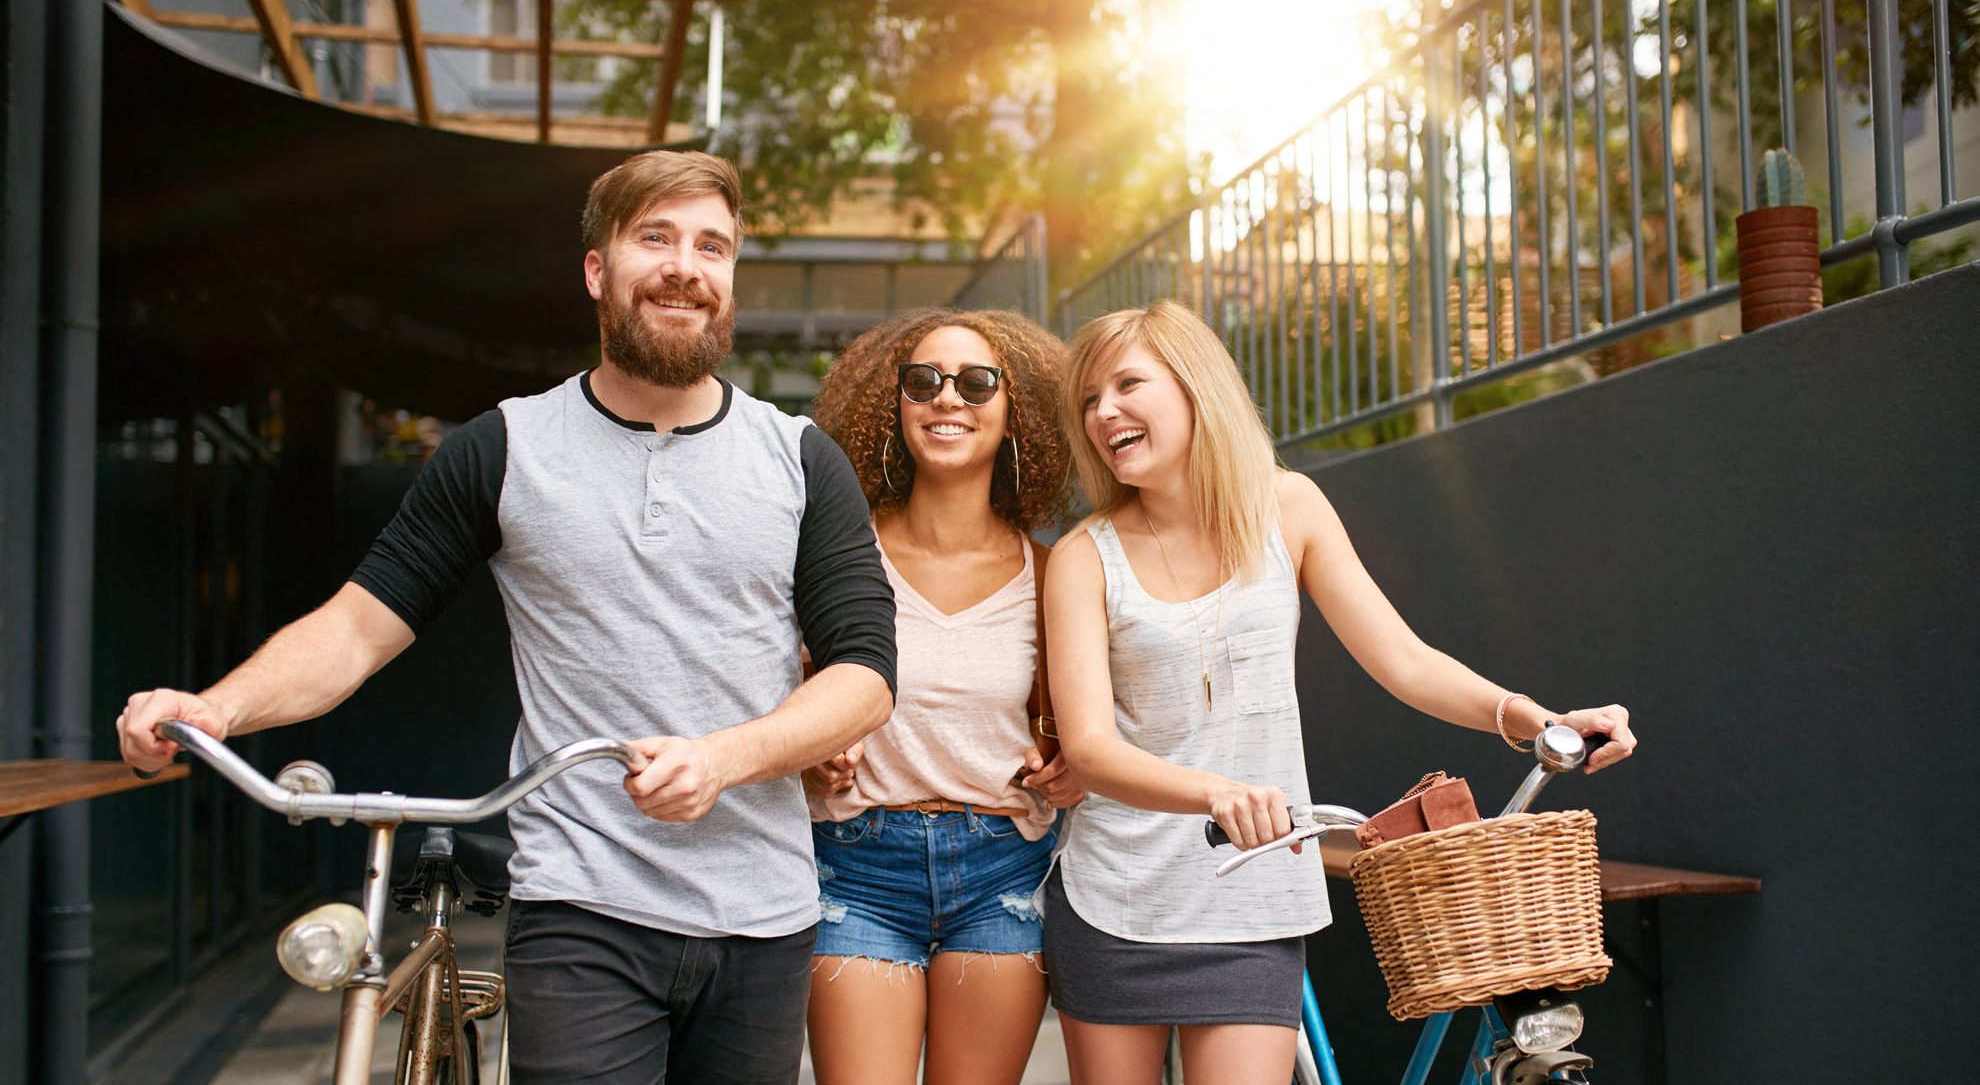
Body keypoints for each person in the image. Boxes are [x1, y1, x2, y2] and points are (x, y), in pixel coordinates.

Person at [115, 150, 897, 1084]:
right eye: (656, 238)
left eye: (712, 246)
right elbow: (360, 625)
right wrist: (218, 707)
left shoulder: (801, 459)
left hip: (764, 914)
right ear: (598, 271)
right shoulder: (504, 446)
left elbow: (865, 676)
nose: (686, 266)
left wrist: (724, 758)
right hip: (580, 902)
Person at [1039, 300, 1637, 1085]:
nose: (1102, 411)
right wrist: (1217, 792)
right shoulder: (1085, 556)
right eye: (1088, 399)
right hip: (1118, 897)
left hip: (1254, 895)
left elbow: (1404, 660)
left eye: (1126, 384)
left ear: (1195, 386)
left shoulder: (1288, 508)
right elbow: (1090, 748)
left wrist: (1532, 719)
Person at [799, 308, 1085, 1085]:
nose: (947, 398)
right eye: (922, 381)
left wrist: (1072, 771)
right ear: (892, 407)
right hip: (858, 867)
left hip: (1001, 873)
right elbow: (792, 709)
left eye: (975, 381)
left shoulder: (1055, 572)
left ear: (1014, 408)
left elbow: (1088, 731)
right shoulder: (838, 553)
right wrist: (810, 760)